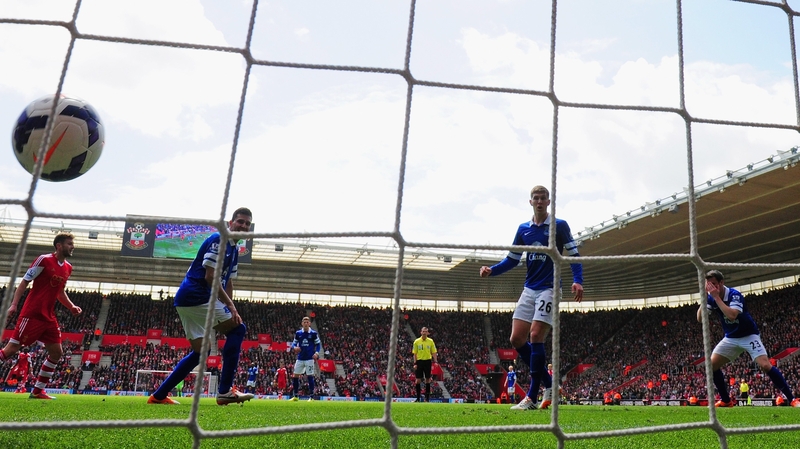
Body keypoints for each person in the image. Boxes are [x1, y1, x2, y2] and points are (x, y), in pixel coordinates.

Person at [480, 185, 583, 411]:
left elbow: (575, 255)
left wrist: (578, 280)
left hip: (550, 287)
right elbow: (512, 259)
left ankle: (532, 397)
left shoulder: (560, 226)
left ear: (548, 202)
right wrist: (492, 270)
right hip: (530, 288)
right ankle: (549, 383)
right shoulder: (523, 229)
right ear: (530, 202)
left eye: (542, 198)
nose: (539, 201)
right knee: (516, 339)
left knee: (536, 335)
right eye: (535, 198)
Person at [148, 208, 255, 406]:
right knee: (238, 329)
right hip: (198, 295)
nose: (244, 226)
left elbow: (228, 282)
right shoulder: (219, 239)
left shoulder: (234, 249)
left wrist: (231, 307)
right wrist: (230, 307)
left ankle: (158, 396)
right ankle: (224, 392)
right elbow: (210, 277)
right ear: (230, 223)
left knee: (201, 352)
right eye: (240, 221)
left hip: (187, 299)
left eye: (248, 224)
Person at [698, 270, 799, 408]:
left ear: (721, 283)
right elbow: (700, 318)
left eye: (714, 284)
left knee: (765, 365)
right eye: (708, 284)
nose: (711, 287)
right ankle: (726, 401)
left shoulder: (734, 295)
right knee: (711, 365)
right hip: (731, 337)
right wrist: (704, 297)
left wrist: (716, 298)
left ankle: (792, 399)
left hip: (748, 335)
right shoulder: (710, 297)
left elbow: (732, 315)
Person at [0, 233, 82, 400]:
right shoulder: (43, 260)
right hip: (32, 313)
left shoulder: (68, 267)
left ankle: (38, 391)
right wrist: (14, 304)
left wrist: (71, 306)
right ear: (58, 245)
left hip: (48, 317)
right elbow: (24, 281)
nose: (72, 246)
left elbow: (60, 292)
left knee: (56, 352)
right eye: (69, 243)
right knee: (11, 349)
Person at [290, 316, 321, 401]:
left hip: (309, 358)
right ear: (302, 323)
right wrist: (294, 348)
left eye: (307, 322)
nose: (306, 323)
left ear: (310, 323)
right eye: (304, 322)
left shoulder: (313, 333)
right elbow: (293, 344)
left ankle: (311, 397)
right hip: (300, 358)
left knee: (310, 376)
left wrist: (317, 353)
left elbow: (318, 344)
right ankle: (296, 396)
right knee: (295, 375)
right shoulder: (298, 333)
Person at [411, 326, 438, 402]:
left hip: (428, 361)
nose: (424, 333)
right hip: (419, 362)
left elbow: (434, 352)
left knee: (428, 379)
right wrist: (415, 363)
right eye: (423, 331)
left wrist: (435, 361)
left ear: (428, 333)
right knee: (418, 380)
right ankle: (418, 398)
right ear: (421, 332)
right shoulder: (416, 341)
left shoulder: (430, 341)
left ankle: (427, 399)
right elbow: (415, 354)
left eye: (426, 331)